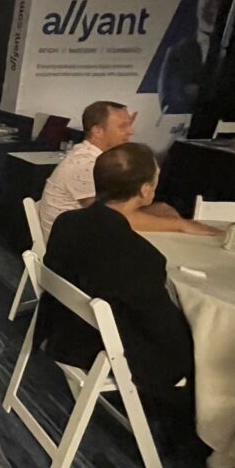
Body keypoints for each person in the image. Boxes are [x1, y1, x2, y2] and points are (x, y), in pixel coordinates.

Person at [37, 142, 196, 448]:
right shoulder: (140, 256)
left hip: (59, 328)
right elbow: (164, 333)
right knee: (204, 349)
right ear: (146, 190)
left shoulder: (67, 222)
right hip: (94, 347)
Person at [37, 100, 217, 239]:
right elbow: (110, 218)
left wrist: (173, 220)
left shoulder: (99, 159)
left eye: (130, 124)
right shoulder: (84, 165)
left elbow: (115, 213)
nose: (131, 131)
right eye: (123, 126)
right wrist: (180, 225)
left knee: (163, 209)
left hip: (88, 232)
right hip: (72, 247)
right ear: (98, 131)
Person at [158, 0, 226, 115]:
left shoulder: (231, 50)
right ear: (199, 9)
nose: (212, 11)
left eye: (217, 7)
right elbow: (167, 98)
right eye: (208, 6)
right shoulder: (177, 51)